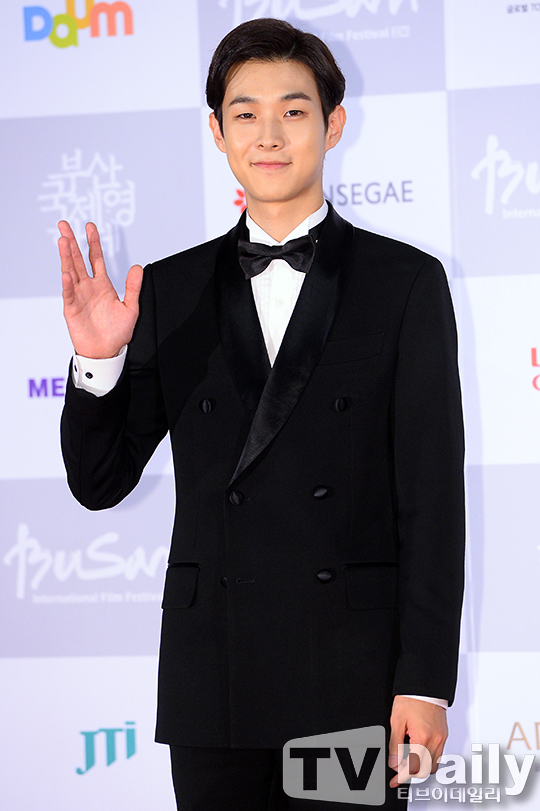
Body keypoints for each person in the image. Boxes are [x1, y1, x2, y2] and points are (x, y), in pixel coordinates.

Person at [59, 18, 465, 811]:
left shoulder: (405, 282)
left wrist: (424, 682)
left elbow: (432, 500)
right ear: (218, 132)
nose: (268, 134)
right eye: (245, 113)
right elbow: (98, 483)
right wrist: (98, 360)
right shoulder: (169, 290)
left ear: (333, 124)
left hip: (352, 678)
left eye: (293, 110)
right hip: (216, 681)